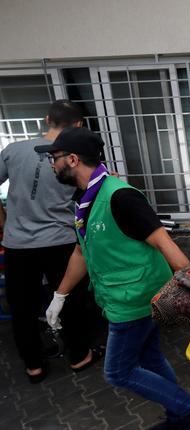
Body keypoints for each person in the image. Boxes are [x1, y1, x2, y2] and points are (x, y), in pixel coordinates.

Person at [37, 127, 190, 430]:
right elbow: (82, 253)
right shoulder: (85, 200)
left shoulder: (120, 197)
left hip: (135, 299)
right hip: (121, 296)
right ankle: (181, 416)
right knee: (151, 359)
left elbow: (163, 242)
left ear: (71, 159)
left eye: (53, 158)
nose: (51, 164)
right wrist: (60, 295)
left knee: (118, 371)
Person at [0, 100, 102, 383]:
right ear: (79, 124)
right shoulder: (76, 155)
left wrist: (4, 221)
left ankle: (33, 365)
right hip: (61, 241)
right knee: (69, 298)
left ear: (47, 119)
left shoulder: (13, 150)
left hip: (18, 244)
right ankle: (80, 356)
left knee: (22, 307)